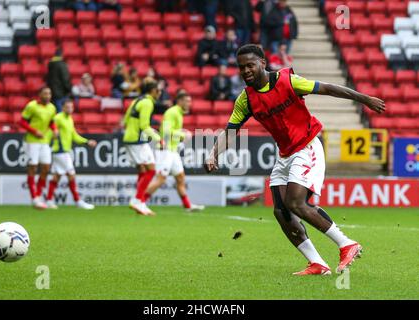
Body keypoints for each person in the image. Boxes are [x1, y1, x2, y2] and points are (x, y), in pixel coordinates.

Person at [204, 44, 386, 275]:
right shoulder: (245, 100)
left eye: (250, 65)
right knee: (281, 212)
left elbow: (328, 88)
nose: (246, 71)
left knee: (296, 203)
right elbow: (230, 131)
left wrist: (364, 99)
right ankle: (318, 263)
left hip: (307, 146)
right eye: (241, 68)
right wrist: (213, 153)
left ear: (262, 62)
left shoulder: (288, 81)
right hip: (285, 155)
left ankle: (346, 244)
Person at [144, 92, 205, 212]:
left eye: (190, 101)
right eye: (187, 101)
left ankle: (187, 206)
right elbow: (166, 132)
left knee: (180, 178)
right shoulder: (172, 112)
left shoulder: (178, 113)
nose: (189, 104)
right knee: (161, 179)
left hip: (173, 151)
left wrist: (181, 133)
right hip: (165, 151)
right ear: (179, 101)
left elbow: (172, 131)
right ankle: (140, 201)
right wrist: (183, 135)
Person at [46, 98, 97, 210]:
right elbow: (50, 131)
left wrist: (87, 142)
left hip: (62, 151)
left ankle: (49, 200)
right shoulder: (58, 118)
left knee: (57, 176)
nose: (70, 109)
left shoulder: (69, 119)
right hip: (60, 151)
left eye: (71, 107)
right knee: (71, 174)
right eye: (67, 107)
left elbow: (74, 135)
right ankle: (78, 201)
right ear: (63, 107)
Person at [122, 77, 162, 216]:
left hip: (129, 138)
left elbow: (125, 120)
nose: (160, 92)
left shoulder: (136, 100)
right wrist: (158, 139)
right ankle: (137, 200)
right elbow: (144, 126)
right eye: (158, 90)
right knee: (151, 170)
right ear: (152, 91)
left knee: (143, 170)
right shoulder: (147, 103)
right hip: (137, 140)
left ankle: (141, 204)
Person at [19, 87, 58, 210]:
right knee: (33, 167)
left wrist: (55, 129)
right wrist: (34, 131)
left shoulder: (52, 108)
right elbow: (22, 122)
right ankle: (34, 197)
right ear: (39, 95)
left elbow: (51, 122)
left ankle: (39, 194)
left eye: (49, 93)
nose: (48, 95)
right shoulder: (32, 106)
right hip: (32, 141)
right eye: (45, 93)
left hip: (45, 141)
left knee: (46, 167)